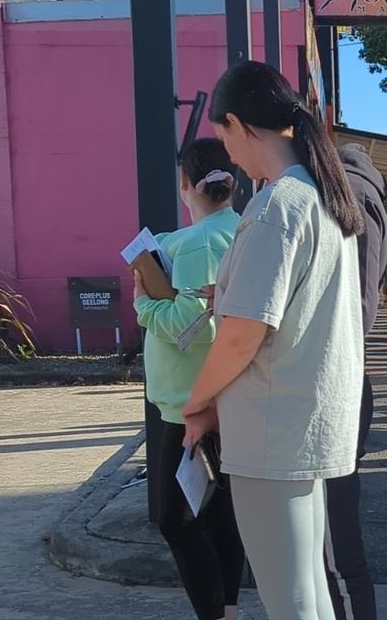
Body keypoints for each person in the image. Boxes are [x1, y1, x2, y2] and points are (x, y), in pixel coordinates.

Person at [182, 60, 367, 620]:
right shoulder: (319, 196)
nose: (227, 154)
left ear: (238, 124)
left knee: (290, 598)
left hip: (271, 423)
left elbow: (242, 336)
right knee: (308, 587)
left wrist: (197, 403)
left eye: (223, 136)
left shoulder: (274, 208)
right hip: (305, 418)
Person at [134, 137, 244, 620]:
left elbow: (191, 324)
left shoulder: (194, 241)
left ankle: (215, 613)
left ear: (185, 184)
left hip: (189, 403)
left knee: (174, 520)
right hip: (221, 397)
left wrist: (142, 304)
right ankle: (227, 610)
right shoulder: (239, 230)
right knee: (220, 514)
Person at [319, 142, 387, 620]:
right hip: (343, 374)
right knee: (334, 532)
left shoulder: (350, 193)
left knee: (335, 540)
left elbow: (356, 302)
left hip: (334, 379)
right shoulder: (364, 191)